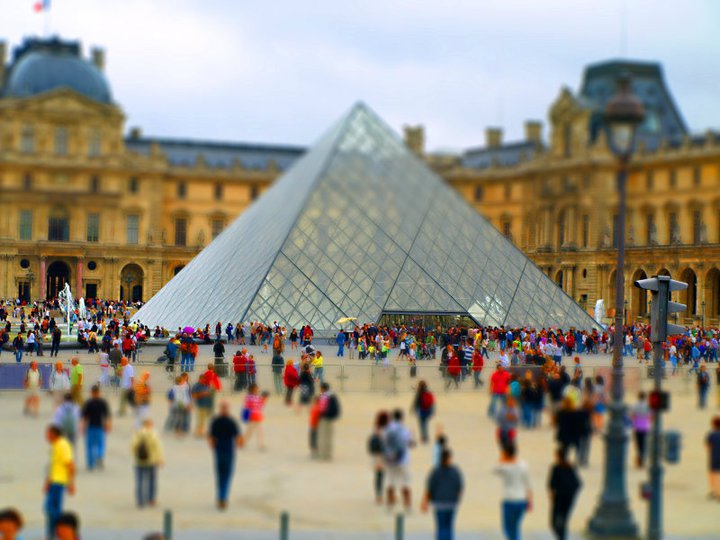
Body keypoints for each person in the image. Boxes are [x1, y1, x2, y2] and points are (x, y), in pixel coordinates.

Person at [421, 448, 464, 540]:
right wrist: (457, 499)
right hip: (450, 503)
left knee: (442, 528)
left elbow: (430, 488)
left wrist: (425, 502)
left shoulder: (436, 471)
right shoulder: (455, 471)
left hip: (440, 503)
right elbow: (460, 487)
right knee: (448, 528)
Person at [209, 401, 244, 509]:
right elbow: (239, 439)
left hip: (219, 450)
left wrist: (214, 448)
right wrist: (239, 445)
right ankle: (223, 498)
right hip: (229, 450)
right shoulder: (231, 422)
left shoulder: (216, 421)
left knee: (220, 475)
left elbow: (211, 439)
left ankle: (220, 497)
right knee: (226, 475)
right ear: (227, 409)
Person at [493, 442, 532, 540]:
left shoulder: (503, 467)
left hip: (509, 500)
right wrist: (530, 500)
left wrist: (503, 457)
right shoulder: (523, 465)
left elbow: (494, 469)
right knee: (515, 526)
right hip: (521, 499)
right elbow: (528, 484)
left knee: (507, 528)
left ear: (506, 453)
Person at [44, 424, 75, 540]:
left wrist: (71, 483)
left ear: (54, 434)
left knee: (52, 510)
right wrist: (47, 482)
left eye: (48, 433)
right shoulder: (55, 445)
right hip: (54, 481)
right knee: (51, 510)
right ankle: (53, 533)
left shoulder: (63, 445)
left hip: (59, 482)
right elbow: (53, 466)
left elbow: (70, 465)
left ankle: (55, 533)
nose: (46, 436)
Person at [383, 409, 415, 511]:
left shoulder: (387, 429)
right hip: (403, 459)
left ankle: (390, 504)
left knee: (390, 482)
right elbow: (411, 444)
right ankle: (407, 505)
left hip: (389, 459)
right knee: (405, 482)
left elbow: (384, 443)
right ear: (401, 417)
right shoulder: (404, 430)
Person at [547, 447, 582, 540]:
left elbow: (551, 484)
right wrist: (572, 494)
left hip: (558, 499)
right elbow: (578, 484)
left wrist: (552, 495)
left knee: (554, 522)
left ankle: (561, 537)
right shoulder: (571, 468)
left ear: (558, 456)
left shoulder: (556, 468)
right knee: (564, 521)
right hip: (568, 499)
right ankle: (562, 537)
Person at [130, 419, 164, 508]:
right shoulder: (153, 434)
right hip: (151, 461)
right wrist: (159, 459)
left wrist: (136, 456)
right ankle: (151, 499)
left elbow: (132, 446)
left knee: (139, 481)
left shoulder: (137, 433)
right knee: (152, 481)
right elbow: (158, 447)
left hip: (139, 461)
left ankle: (140, 501)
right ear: (150, 424)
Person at [81, 385, 111, 471]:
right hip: (100, 427)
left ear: (92, 393)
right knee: (100, 444)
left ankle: (91, 464)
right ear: (99, 392)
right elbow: (106, 416)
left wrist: (83, 427)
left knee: (90, 446)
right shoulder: (103, 403)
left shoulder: (88, 403)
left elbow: (85, 417)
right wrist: (107, 425)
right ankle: (99, 456)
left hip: (90, 427)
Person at [368, 411, 389, 504]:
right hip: (387, 456)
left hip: (377, 457)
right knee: (389, 476)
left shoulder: (375, 430)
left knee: (378, 477)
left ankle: (378, 496)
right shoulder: (388, 430)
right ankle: (390, 495)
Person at [316, 382, 341, 460]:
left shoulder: (322, 396)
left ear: (323, 388)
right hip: (330, 419)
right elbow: (337, 409)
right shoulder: (333, 396)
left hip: (323, 418)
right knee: (329, 437)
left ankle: (322, 455)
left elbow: (319, 408)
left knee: (322, 437)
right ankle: (328, 455)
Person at [242, 384, 268, 451]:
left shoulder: (257, 397)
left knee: (259, 431)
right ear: (252, 389)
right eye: (256, 389)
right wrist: (262, 400)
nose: (258, 390)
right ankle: (243, 442)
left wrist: (264, 400)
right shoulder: (249, 397)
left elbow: (261, 406)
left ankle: (261, 445)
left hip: (257, 416)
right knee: (250, 431)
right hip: (252, 416)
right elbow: (248, 406)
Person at [630, 391, 651, 468]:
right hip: (645, 426)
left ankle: (639, 459)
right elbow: (651, 416)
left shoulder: (635, 405)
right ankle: (643, 459)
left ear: (638, 397)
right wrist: (648, 422)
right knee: (644, 444)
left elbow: (632, 415)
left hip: (637, 426)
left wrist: (634, 422)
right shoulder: (648, 405)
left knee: (638, 445)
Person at [706, 415, 720, 499]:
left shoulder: (711, 435)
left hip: (714, 457)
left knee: (712, 475)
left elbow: (708, 447)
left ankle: (714, 492)